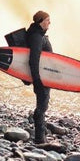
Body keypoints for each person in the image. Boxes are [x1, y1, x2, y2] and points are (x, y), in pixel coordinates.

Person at [27, 10, 53, 143]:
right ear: (41, 21)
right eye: (48, 20)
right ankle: (39, 138)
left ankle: (40, 136)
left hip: (45, 76)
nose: (50, 22)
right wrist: (37, 80)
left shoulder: (39, 35)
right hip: (41, 78)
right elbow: (34, 59)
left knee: (43, 104)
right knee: (42, 105)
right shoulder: (37, 36)